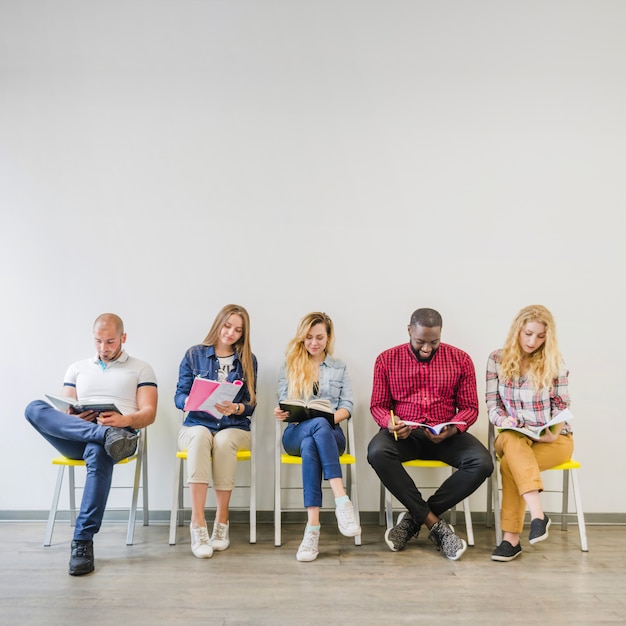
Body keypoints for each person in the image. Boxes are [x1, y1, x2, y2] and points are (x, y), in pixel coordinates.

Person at [24, 313, 158, 576]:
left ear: (123, 338)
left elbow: (149, 413)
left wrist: (122, 420)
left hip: (121, 436)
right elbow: (63, 409)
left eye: (110, 342)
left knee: (99, 450)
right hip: (81, 434)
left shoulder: (141, 368)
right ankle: (101, 434)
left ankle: (82, 541)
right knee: (34, 408)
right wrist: (73, 415)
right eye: (98, 342)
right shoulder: (77, 368)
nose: (103, 348)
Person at [367, 307, 493, 560]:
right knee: (377, 452)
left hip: (445, 433)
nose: (426, 348)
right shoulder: (386, 359)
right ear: (409, 331)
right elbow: (378, 405)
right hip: (405, 434)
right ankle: (436, 525)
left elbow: (469, 407)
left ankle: (414, 520)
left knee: (482, 463)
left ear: (440, 334)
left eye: (433, 342)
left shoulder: (461, 359)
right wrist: (390, 424)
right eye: (420, 342)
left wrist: (454, 428)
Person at [487, 304, 574, 562]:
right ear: (517, 330)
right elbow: (493, 405)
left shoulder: (555, 363)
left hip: (554, 439)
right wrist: (508, 420)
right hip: (513, 435)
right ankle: (538, 515)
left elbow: (562, 405)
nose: (532, 341)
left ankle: (510, 540)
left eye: (540, 336)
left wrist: (552, 432)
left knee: (510, 467)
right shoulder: (497, 359)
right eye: (527, 333)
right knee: (513, 445)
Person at [273, 312, 361, 562]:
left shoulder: (339, 367)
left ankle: (312, 531)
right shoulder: (290, 365)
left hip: (331, 434)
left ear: (328, 338)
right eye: (309, 337)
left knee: (316, 433)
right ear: (302, 338)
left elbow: (347, 405)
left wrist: (325, 418)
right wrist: (280, 412)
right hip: (295, 433)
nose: (314, 342)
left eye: (319, 337)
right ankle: (342, 501)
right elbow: (283, 402)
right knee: (313, 429)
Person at [174, 304, 257, 559]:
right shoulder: (193, 355)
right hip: (197, 426)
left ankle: (222, 521)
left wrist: (236, 407)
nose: (231, 333)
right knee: (201, 436)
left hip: (233, 428)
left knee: (222, 441)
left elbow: (251, 404)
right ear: (218, 324)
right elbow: (179, 395)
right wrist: (189, 402)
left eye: (238, 330)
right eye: (227, 325)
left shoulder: (248, 360)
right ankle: (198, 524)